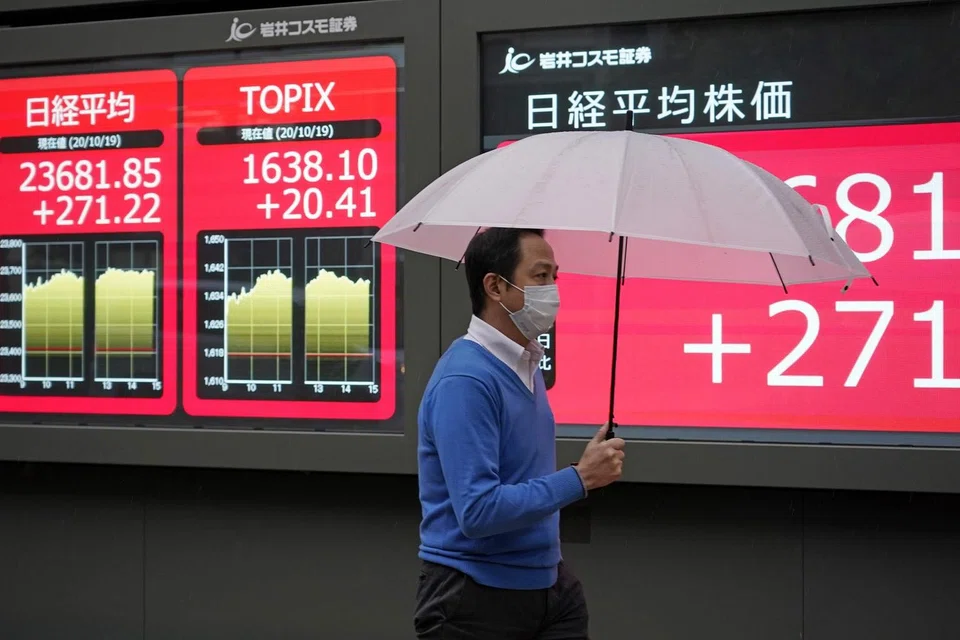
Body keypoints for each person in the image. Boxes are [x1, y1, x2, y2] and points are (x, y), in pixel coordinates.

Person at [414, 227, 627, 639]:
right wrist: (580, 478)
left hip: (549, 586)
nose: (553, 291)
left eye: (554, 277)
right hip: (473, 596)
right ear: (495, 286)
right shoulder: (466, 380)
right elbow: (478, 511)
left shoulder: (526, 364)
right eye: (541, 276)